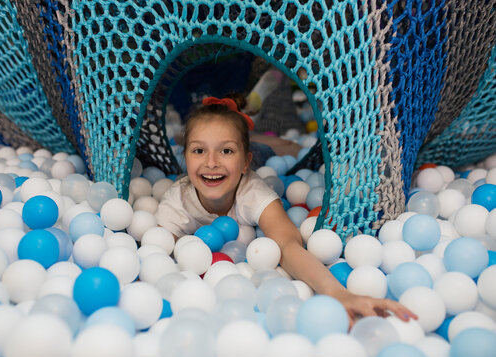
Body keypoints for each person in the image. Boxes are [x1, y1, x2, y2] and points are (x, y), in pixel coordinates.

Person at [155, 96, 417, 326]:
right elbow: (164, 254)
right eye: (198, 150)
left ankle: (259, 141)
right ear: (185, 158)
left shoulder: (253, 192)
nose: (211, 163)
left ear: (246, 163)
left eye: (226, 150)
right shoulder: (176, 202)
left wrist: (338, 293)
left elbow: (288, 246)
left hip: (260, 152)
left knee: (279, 149)